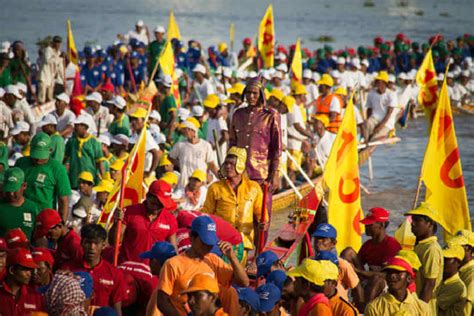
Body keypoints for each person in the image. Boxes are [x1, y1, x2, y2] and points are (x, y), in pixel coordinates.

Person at [156, 216, 249, 315]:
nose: (208, 247)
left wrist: (232, 257)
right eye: (204, 242)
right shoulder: (173, 264)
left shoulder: (213, 261)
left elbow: (244, 282)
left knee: (230, 292)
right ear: (191, 237)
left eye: (210, 242)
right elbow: (162, 301)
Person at [229, 77, 282, 223]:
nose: (251, 97)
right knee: (239, 214)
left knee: (261, 218)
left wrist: (275, 173)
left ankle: (261, 247)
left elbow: (277, 148)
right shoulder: (237, 114)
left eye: (255, 93)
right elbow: (232, 143)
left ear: (261, 95)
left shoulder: (271, 115)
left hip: (262, 174)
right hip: (240, 173)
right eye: (248, 93)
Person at [202, 147, 265, 255]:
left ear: (241, 164)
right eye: (226, 163)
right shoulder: (215, 188)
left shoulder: (254, 188)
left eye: (231, 163)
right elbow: (206, 216)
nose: (228, 166)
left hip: (243, 243)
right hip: (220, 243)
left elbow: (262, 220)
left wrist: (257, 257)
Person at [61, 224, 126, 314]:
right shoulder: (68, 270)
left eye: (96, 243)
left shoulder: (115, 274)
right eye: (88, 242)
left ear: (103, 245)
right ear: (81, 243)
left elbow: (117, 310)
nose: (92, 247)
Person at [342, 207, 401, 303]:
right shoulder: (368, 244)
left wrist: (357, 271)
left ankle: (364, 307)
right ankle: (342, 293)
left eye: (369, 224)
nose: (365, 226)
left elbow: (386, 275)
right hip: (369, 278)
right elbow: (358, 264)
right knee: (348, 252)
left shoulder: (392, 245)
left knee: (377, 279)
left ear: (381, 225)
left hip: (386, 282)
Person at [112, 179, 178, 263]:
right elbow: (114, 241)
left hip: (153, 272)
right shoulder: (129, 212)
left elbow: (172, 251)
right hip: (128, 269)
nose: (156, 207)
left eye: (161, 205)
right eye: (154, 203)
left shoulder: (170, 219)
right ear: (147, 196)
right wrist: (116, 223)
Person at [15, 132, 71, 222]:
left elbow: (63, 200)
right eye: (36, 155)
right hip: (21, 214)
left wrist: (62, 223)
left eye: (42, 156)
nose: (38, 159)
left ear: (50, 150)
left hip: (45, 218)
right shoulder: (21, 163)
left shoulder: (58, 169)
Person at [311, 223, 364, 310]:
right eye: (317, 238)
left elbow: (357, 286)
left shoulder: (342, 264)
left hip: (339, 308)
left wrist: (359, 310)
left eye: (323, 239)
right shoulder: (310, 263)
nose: (318, 242)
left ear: (333, 243)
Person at [404, 202, 443, 313]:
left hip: (425, 308)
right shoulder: (421, 245)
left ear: (430, 223)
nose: (413, 224)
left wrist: (419, 309)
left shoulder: (431, 249)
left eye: (417, 220)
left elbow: (429, 284)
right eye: (412, 220)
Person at [365, 256, 430, 315]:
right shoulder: (374, 308)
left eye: (397, 272)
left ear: (409, 278)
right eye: (389, 272)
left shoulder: (423, 309)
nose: (392, 276)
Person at [169, 117, 218, 189]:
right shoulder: (180, 145)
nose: (183, 131)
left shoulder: (205, 145)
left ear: (192, 130)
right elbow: (170, 157)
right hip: (184, 185)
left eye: (186, 129)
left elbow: (211, 164)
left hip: (200, 185)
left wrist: (220, 177)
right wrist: (181, 164)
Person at [0, 248, 45, 315]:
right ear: (11, 270)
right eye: (25, 270)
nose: (29, 274)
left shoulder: (36, 297)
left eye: (30, 270)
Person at [65, 114, 104, 189]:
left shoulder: (94, 142)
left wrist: (104, 178)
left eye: (78, 125)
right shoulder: (71, 141)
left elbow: (100, 162)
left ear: (85, 127)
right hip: (74, 181)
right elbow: (65, 159)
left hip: (89, 182)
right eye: (75, 125)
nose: (75, 128)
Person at [0, 167, 39, 239]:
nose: (11, 194)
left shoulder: (32, 208)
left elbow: (38, 237)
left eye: (14, 190)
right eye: (8, 190)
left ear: (24, 186)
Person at [436, 243, 468, 315]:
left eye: (446, 259)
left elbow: (433, 304)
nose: (442, 262)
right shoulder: (442, 281)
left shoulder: (457, 286)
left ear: (458, 262)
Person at [129, 107, 161, 178]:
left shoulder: (145, 135)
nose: (133, 122)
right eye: (132, 119)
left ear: (144, 121)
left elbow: (156, 154)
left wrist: (149, 172)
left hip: (145, 174)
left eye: (136, 119)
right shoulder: (137, 134)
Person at [365, 71, 397, 140]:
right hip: (375, 119)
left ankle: (386, 133)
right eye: (377, 81)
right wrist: (368, 126)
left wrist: (379, 127)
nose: (377, 83)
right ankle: (366, 140)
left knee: (374, 138)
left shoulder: (391, 94)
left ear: (384, 83)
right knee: (368, 123)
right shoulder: (371, 93)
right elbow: (369, 109)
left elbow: (389, 114)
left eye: (379, 82)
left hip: (387, 123)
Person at [449, 231, 474, 315]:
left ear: (469, 248)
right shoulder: (459, 269)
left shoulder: (471, 274)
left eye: (458, 246)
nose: (454, 250)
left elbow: (467, 308)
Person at [38, 35, 64, 103]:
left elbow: (60, 67)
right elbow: (47, 60)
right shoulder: (48, 49)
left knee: (50, 97)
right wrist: (58, 58)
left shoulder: (58, 53)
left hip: (51, 77)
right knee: (42, 98)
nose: (58, 44)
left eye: (59, 42)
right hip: (44, 76)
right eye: (56, 42)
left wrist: (63, 79)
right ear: (53, 42)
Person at [157, 75, 177, 143]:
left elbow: (174, 115)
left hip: (166, 132)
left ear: (163, 85)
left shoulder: (169, 98)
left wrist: (169, 134)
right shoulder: (165, 97)